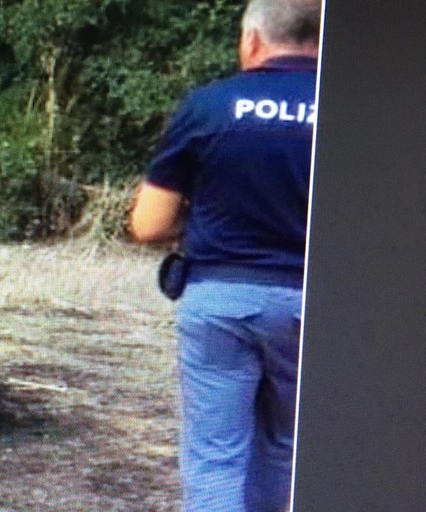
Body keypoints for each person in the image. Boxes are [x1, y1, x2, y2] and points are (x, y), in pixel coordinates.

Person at [130, 0, 321, 510]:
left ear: (252, 39)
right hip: (312, 306)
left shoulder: (209, 106)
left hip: (220, 301)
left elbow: (147, 224)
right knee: (287, 450)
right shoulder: (354, 113)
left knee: (216, 455)